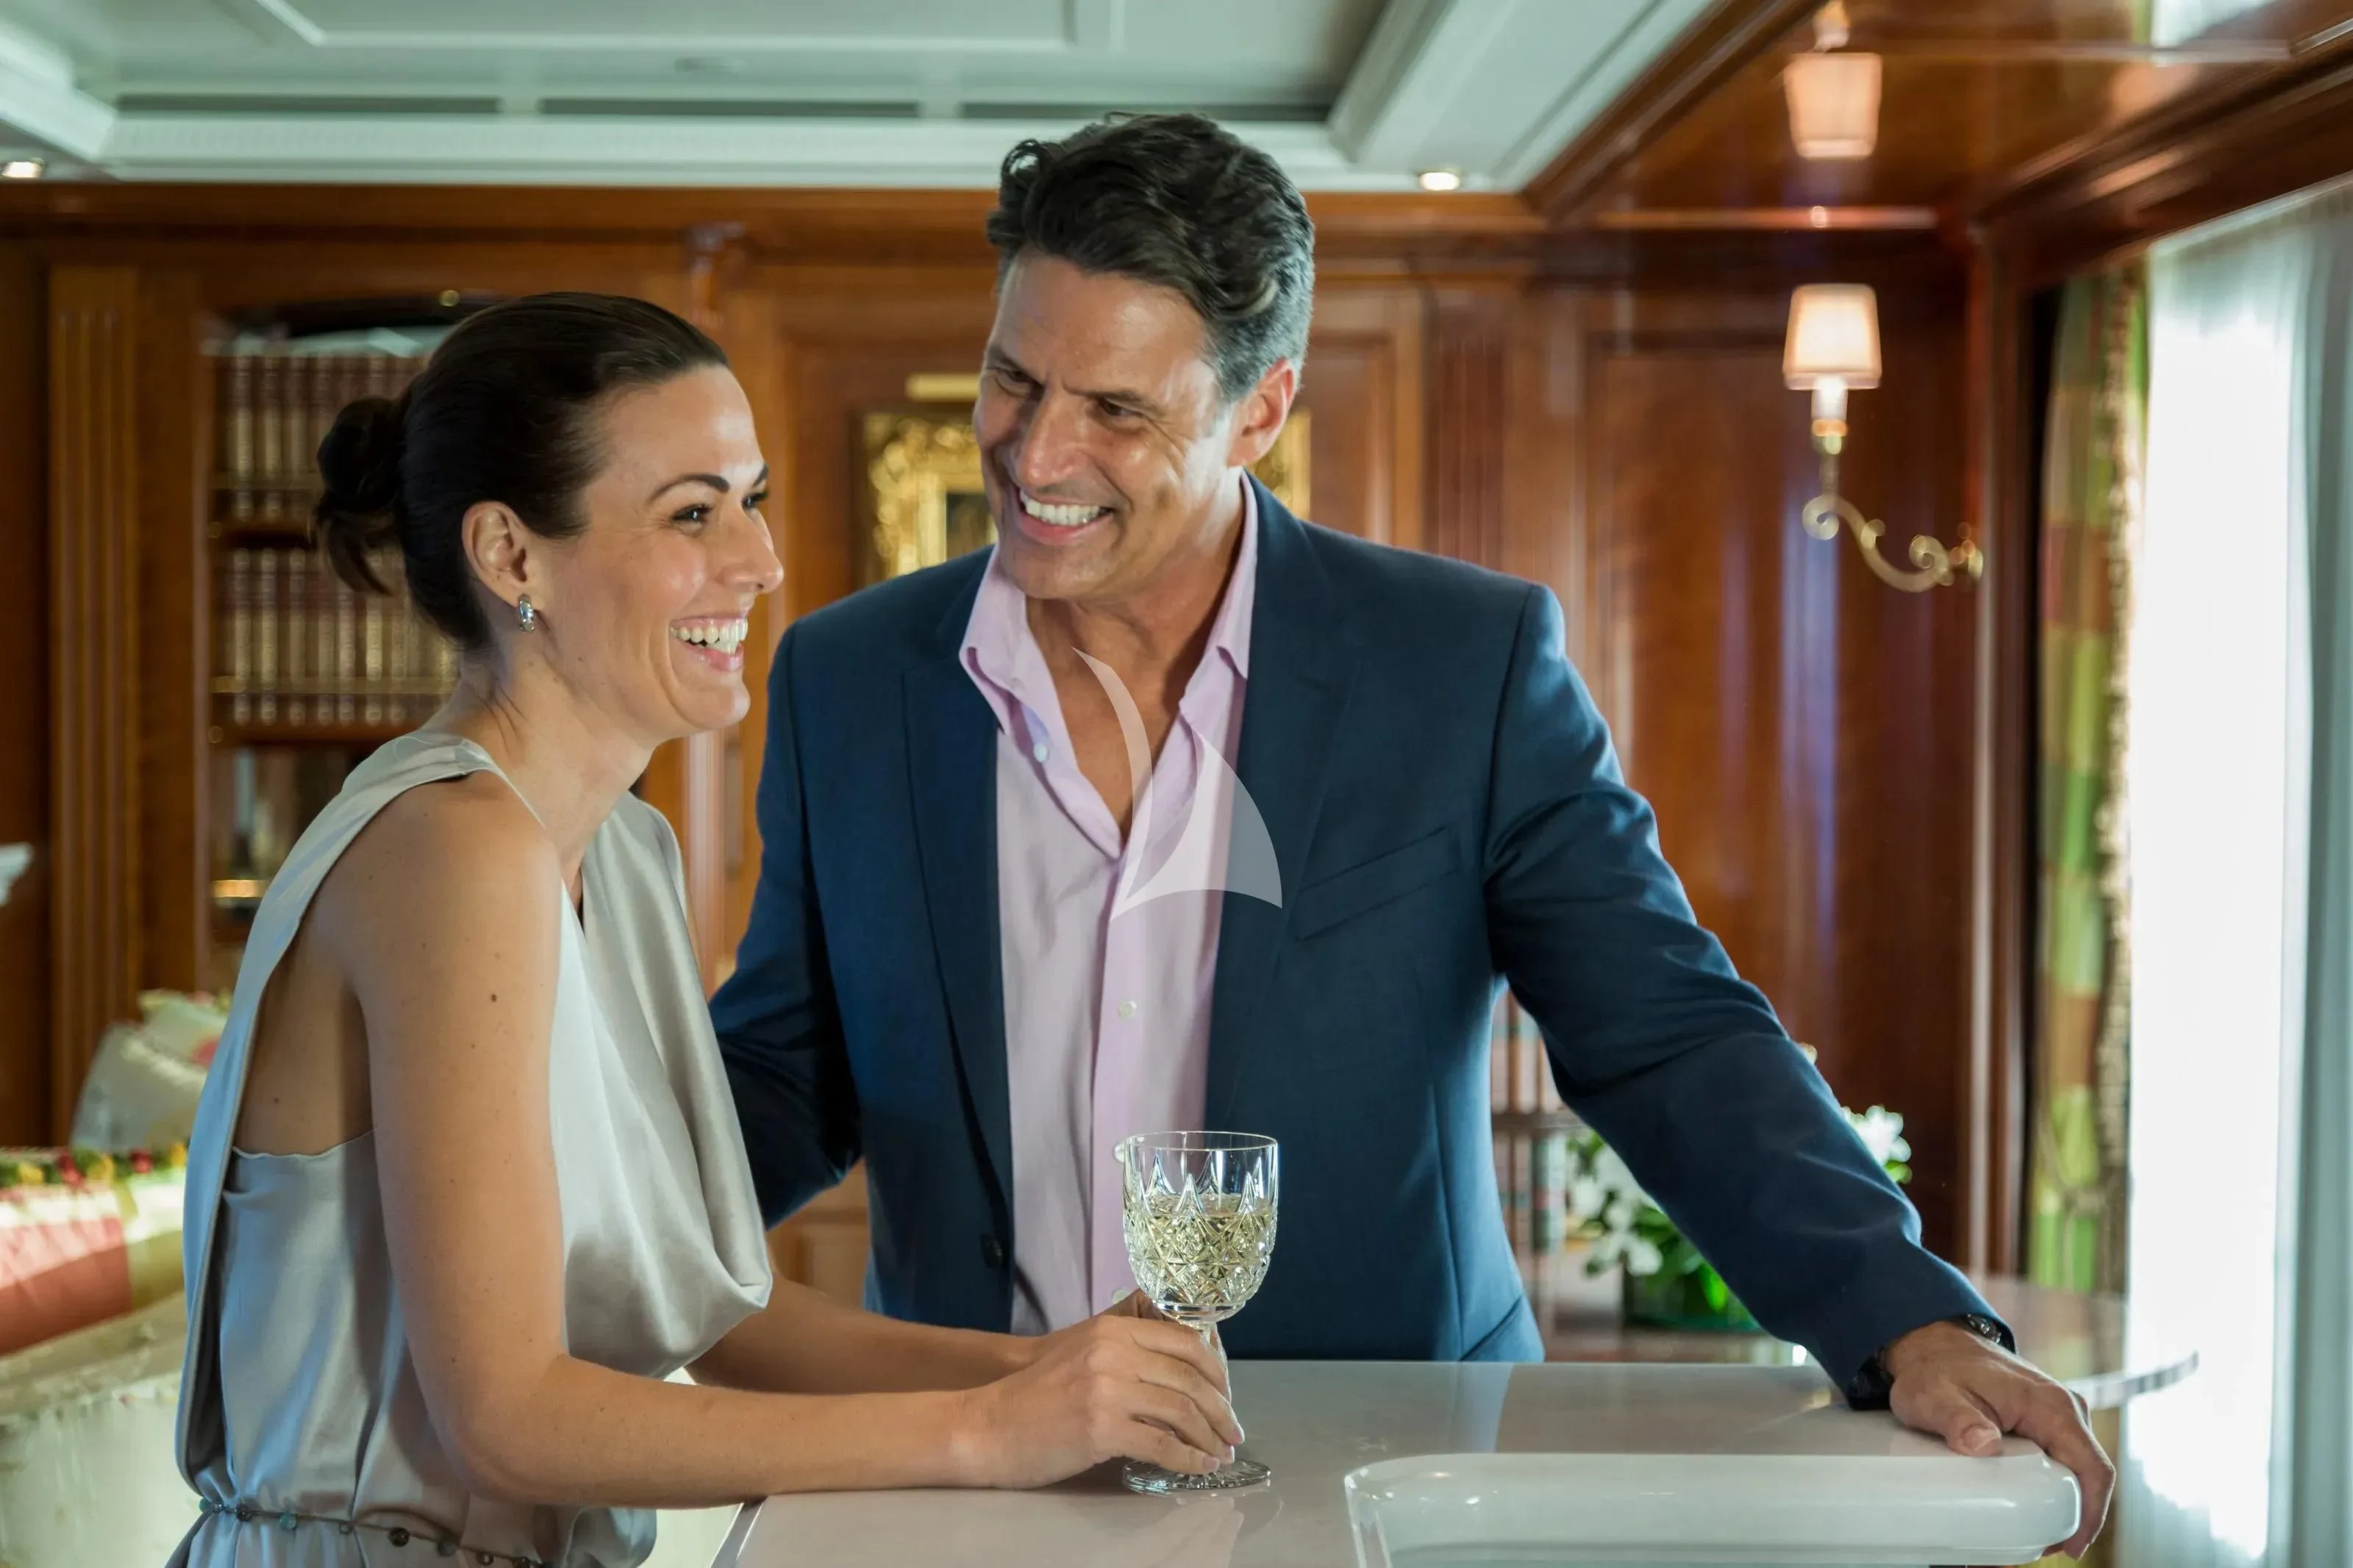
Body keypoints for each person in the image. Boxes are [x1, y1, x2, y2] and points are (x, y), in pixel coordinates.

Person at [711, 114, 2115, 1558]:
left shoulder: (1463, 664)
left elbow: (1666, 1030)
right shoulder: (850, 673)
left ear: (1260, 414)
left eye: (1118, 411)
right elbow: (788, 1061)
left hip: (1391, 1468)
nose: (1037, 447)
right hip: (969, 1474)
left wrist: (1906, 1312)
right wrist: (571, 1231)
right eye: (1014, 377)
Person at [171, 293, 1241, 1568]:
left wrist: (1058, 1372)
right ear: (512, 558)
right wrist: (986, 1431)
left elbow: (719, 1319)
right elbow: (508, 1423)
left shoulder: (622, 854)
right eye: (692, 513)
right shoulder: (453, 851)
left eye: (754, 498)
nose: (760, 561)